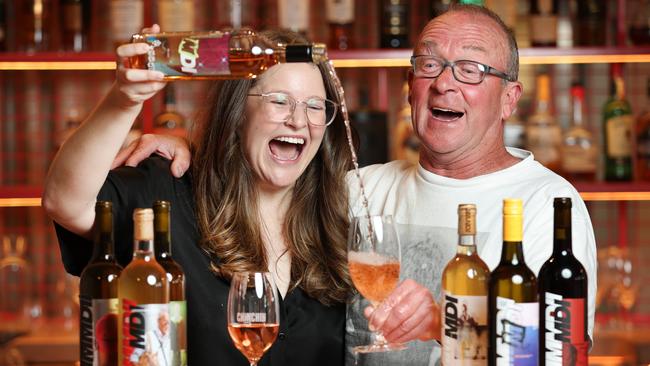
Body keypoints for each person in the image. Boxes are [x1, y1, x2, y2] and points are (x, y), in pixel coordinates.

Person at [119, 5, 598, 366]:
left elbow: (564, 356)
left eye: (471, 69)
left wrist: (445, 326)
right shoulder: (357, 188)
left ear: (509, 98)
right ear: (409, 87)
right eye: (428, 65)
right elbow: (260, 173)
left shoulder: (546, 204)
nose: (444, 84)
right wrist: (186, 144)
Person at [42, 26, 353, 365]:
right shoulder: (170, 190)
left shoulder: (345, 217)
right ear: (237, 113)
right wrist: (124, 99)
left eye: (315, 106)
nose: (298, 120)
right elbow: (65, 202)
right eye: (278, 101)